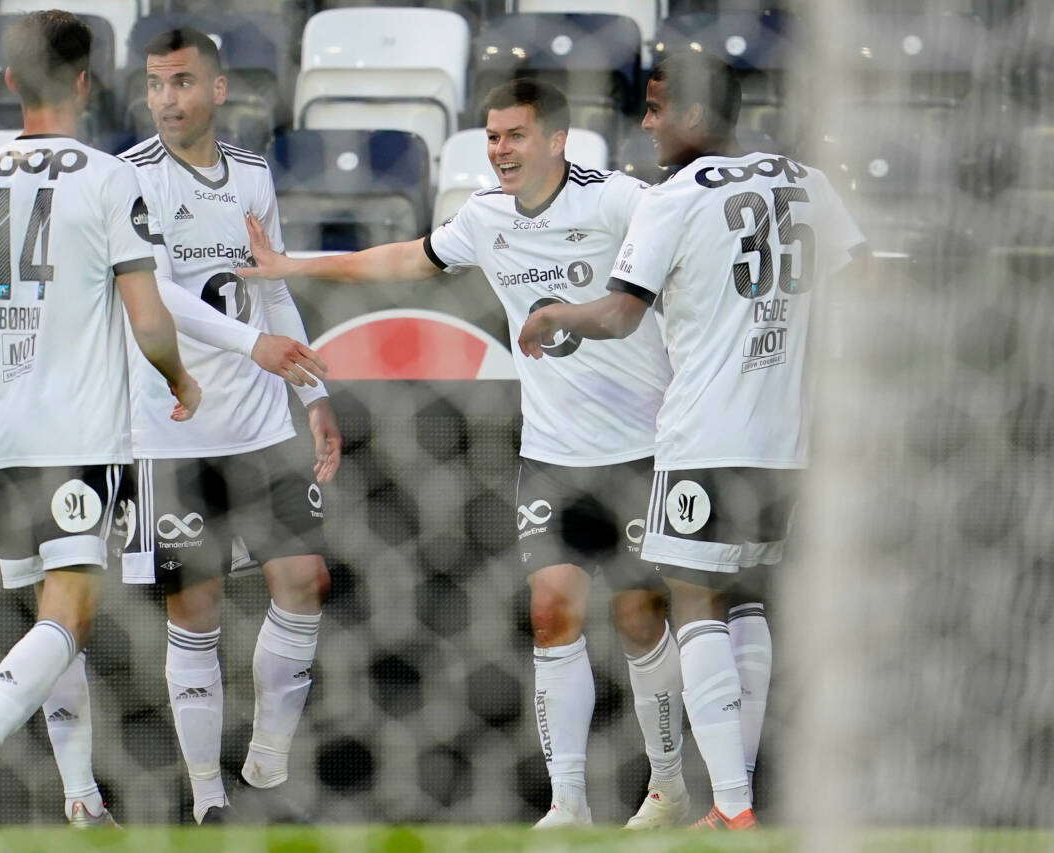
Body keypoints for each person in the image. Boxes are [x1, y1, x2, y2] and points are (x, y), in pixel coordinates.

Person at [240, 78, 690, 829]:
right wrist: (293, 266)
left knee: (640, 617)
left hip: (640, 449)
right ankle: (568, 802)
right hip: (551, 451)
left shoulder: (617, 199)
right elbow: (403, 259)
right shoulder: (484, 216)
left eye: (515, 135)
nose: (500, 150)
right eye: (491, 136)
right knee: (552, 613)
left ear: (556, 139)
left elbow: (683, 254)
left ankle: (669, 786)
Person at [519, 53, 867, 829]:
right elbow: (863, 280)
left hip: (708, 433)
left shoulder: (673, 198)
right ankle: (735, 801)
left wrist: (551, 317)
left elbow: (618, 314)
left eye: (656, 108)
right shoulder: (810, 180)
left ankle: (734, 810)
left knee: (695, 599)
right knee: (746, 601)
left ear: (698, 115)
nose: (646, 125)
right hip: (793, 442)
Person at [0, 10, 203, 827]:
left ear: (7, 81)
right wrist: (180, 379)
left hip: (9, 437)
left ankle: (80, 798)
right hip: (84, 435)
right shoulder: (108, 178)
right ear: (85, 81)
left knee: (51, 614)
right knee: (71, 613)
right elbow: (146, 318)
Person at [38, 27, 338, 825]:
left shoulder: (251, 174)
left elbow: (269, 287)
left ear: (217, 88)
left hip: (260, 423)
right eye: (154, 84)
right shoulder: (127, 178)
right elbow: (157, 294)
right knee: (194, 609)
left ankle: (269, 758)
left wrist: (312, 395)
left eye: (180, 82)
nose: (166, 99)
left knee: (305, 579)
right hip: (170, 428)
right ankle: (209, 796)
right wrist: (254, 345)